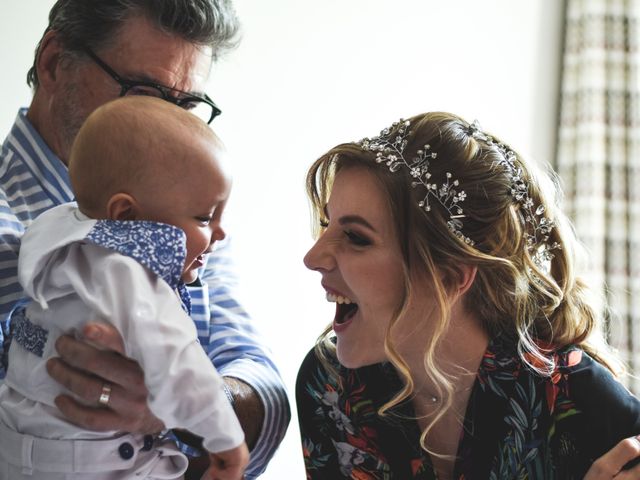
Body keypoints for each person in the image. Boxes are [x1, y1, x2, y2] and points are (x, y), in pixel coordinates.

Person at [0, 1, 289, 478]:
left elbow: (263, 387)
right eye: (144, 94)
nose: (167, 126)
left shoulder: (186, 222)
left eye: (188, 106)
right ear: (53, 63)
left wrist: (172, 406)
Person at [297, 111, 640, 479]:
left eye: (356, 237)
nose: (312, 257)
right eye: (326, 224)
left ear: (450, 276)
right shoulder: (330, 386)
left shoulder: (577, 400)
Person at [0, 96, 249, 479]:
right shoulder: (130, 276)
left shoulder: (54, 235)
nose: (220, 233)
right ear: (126, 215)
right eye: (204, 217)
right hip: (100, 464)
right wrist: (226, 442)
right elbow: (181, 364)